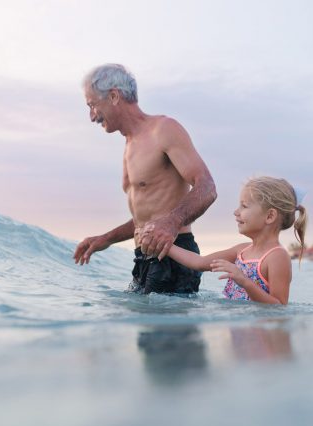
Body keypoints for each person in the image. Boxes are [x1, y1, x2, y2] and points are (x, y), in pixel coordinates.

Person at [73, 64, 217, 294]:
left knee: (162, 330)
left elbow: (207, 187)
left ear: (113, 96)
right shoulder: (130, 144)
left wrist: (172, 222)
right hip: (144, 259)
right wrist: (106, 238)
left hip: (173, 254)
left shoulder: (163, 130)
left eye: (92, 105)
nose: (91, 116)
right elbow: (148, 218)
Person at [161, 176, 307, 305]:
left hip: (261, 334)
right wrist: (163, 244)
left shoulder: (277, 256)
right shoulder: (241, 250)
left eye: (244, 206)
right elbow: (199, 263)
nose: (236, 212)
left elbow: (279, 306)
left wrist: (244, 281)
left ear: (269, 216)